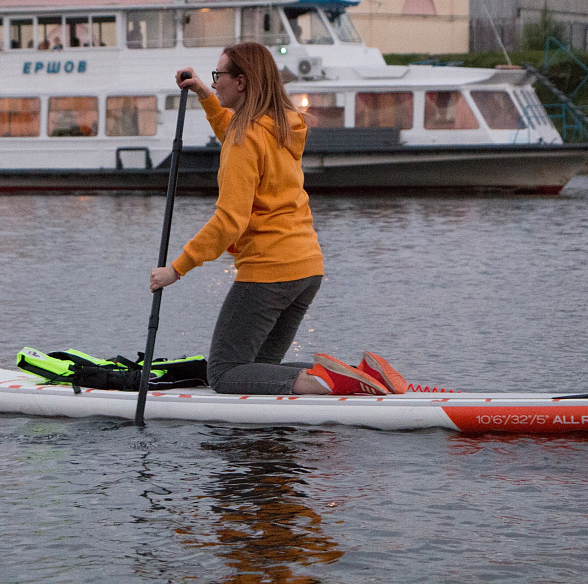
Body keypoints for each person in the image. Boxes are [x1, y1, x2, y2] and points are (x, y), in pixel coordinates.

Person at [150, 42, 408, 397]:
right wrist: (204, 94)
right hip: (307, 267)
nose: (216, 81)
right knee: (258, 370)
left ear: (241, 82)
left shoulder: (245, 138)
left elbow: (229, 221)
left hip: (269, 270)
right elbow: (236, 133)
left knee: (224, 373)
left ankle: (318, 383)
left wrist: (176, 269)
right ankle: (357, 374)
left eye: (219, 76)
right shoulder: (280, 126)